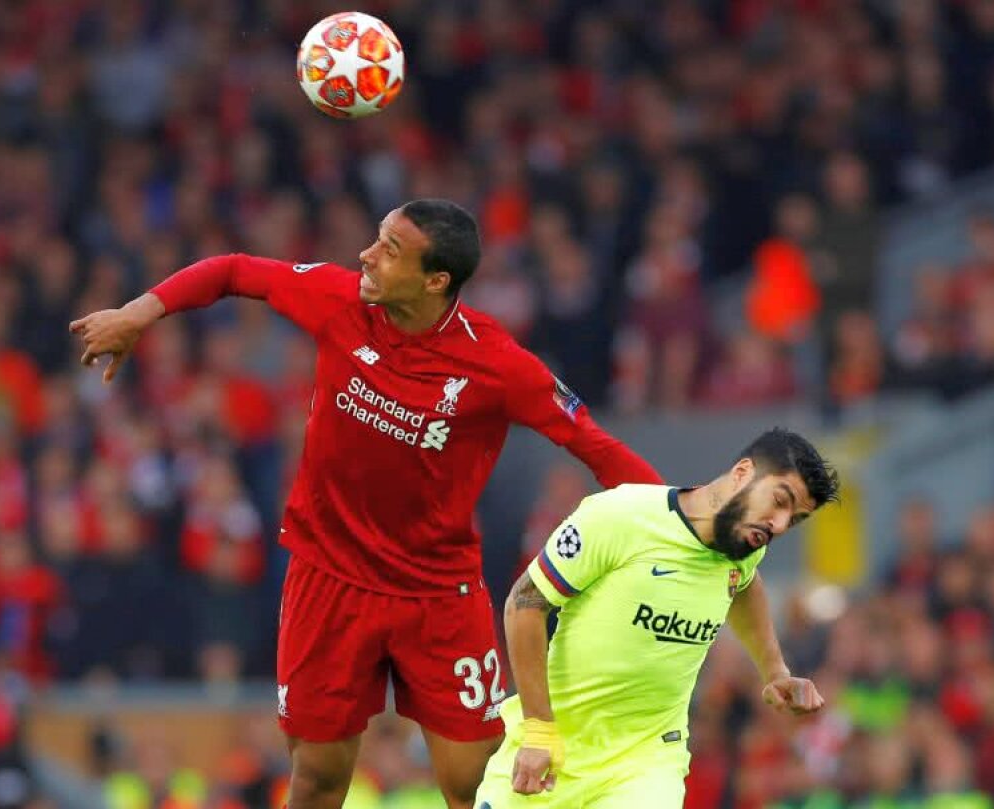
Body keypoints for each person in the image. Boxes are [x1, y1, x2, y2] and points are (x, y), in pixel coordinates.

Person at [69, 199, 662, 809]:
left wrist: (686, 527)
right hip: (328, 578)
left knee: (475, 784)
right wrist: (138, 313)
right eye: (378, 239)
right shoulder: (340, 299)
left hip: (437, 593)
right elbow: (234, 270)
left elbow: (592, 443)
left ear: (436, 281)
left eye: (390, 250)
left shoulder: (495, 362)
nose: (366, 256)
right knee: (318, 779)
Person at [475, 428, 840, 808]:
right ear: (743, 472)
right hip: (553, 749)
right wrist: (538, 729)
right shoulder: (621, 516)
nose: (779, 525)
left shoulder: (744, 548)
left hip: (646, 765)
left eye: (794, 519)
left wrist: (775, 670)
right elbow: (525, 602)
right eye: (780, 500)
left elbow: (746, 584)